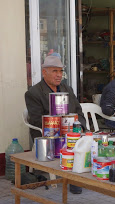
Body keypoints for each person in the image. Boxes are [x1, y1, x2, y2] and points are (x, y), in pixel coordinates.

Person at [25, 55, 86, 194]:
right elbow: (35, 120)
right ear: (44, 72)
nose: (59, 75)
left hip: (71, 131)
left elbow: (79, 111)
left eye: (60, 71)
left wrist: (80, 127)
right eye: (54, 71)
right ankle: (73, 179)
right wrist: (59, 127)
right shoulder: (33, 93)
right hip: (49, 134)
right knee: (68, 141)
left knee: (87, 141)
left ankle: (79, 177)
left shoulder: (67, 89)